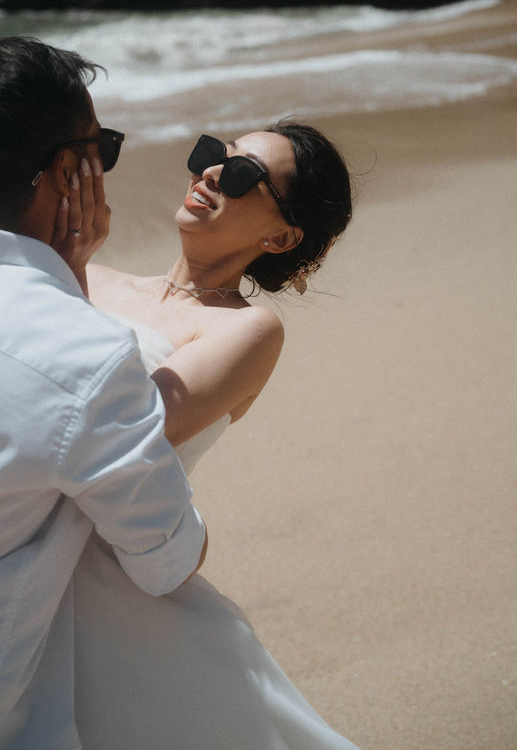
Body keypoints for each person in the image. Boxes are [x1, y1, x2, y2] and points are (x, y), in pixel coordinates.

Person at [0, 36, 207, 748]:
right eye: (101, 148)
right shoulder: (83, 353)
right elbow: (165, 559)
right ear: (68, 172)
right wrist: (70, 284)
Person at [56, 124, 360, 748]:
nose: (213, 172)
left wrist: (65, 272)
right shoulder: (93, 273)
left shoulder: (247, 330)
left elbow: (126, 428)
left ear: (281, 237)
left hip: (111, 593)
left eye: (246, 174)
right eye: (214, 154)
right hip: (8, 545)